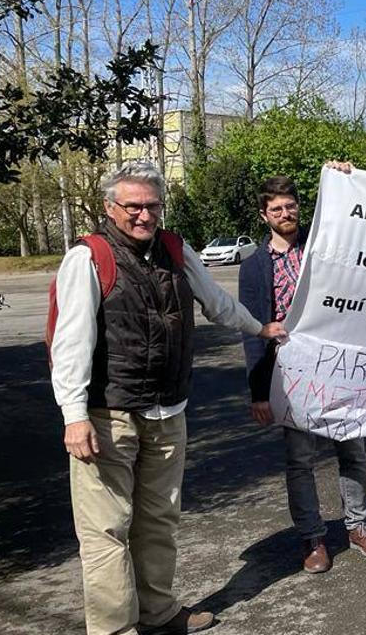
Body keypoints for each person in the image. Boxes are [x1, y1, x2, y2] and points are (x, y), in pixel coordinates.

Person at [50, 160, 287, 635]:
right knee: (106, 532)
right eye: (132, 206)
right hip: (107, 414)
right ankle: (116, 629)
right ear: (109, 208)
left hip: (167, 411)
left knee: (159, 521)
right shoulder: (89, 257)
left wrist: (260, 327)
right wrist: (74, 415)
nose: (143, 215)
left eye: (151, 205)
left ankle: (158, 612)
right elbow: (70, 342)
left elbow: (218, 305)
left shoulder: (176, 250)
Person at [238, 165, 366, 573]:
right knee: (300, 461)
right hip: (289, 376)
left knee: (352, 452)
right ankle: (313, 539)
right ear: (264, 215)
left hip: (339, 368)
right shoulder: (254, 267)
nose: (285, 214)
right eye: (276, 209)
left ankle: (358, 527)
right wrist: (257, 392)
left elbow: (356, 223)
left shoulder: (324, 245)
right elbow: (253, 330)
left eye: (291, 206)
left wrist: (343, 177)